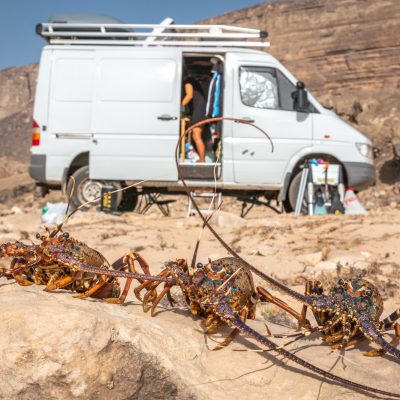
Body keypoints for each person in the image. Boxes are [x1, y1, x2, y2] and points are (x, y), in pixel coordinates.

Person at [181, 73, 207, 162]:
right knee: (195, 136)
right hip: (198, 111)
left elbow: (189, 95)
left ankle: (202, 160)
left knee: (196, 136)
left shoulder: (188, 81)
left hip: (198, 111)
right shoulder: (193, 81)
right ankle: (201, 159)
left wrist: (180, 106)